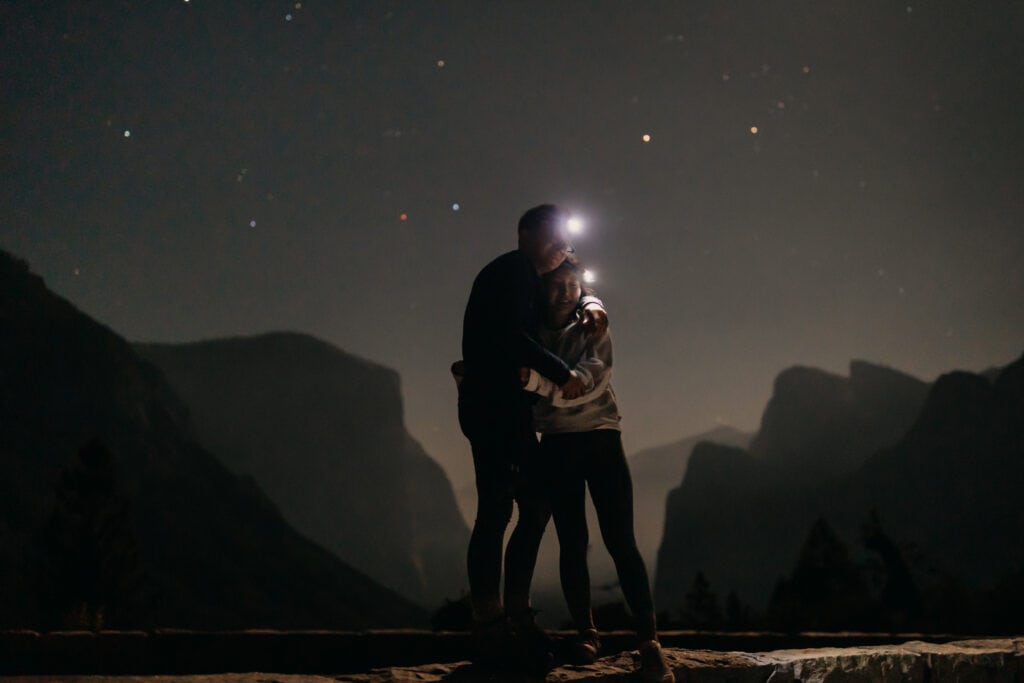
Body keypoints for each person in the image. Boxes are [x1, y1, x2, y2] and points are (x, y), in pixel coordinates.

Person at [456, 204, 607, 664]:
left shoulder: (524, 277)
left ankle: (509, 619)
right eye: (552, 235)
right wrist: (562, 373)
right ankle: (495, 623)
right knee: (502, 510)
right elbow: (510, 336)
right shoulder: (513, 270)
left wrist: (590, 302)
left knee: (525, 506)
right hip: (494, 407)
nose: (561, 245)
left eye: (566, 239)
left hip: (501, 407)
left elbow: (571, 291)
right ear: (524, 233)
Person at [514, 258, 675, 682]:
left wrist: (535, 382)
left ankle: (649, 642)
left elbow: (586, 382)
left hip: (600, 437)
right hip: (557, 446)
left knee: (620, 539)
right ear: (541, 288)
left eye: (574, 284)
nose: (566, 292)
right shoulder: (529, 332)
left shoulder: (594, 327)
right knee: (572, 541)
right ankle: (587, 634)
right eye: (557, 284)